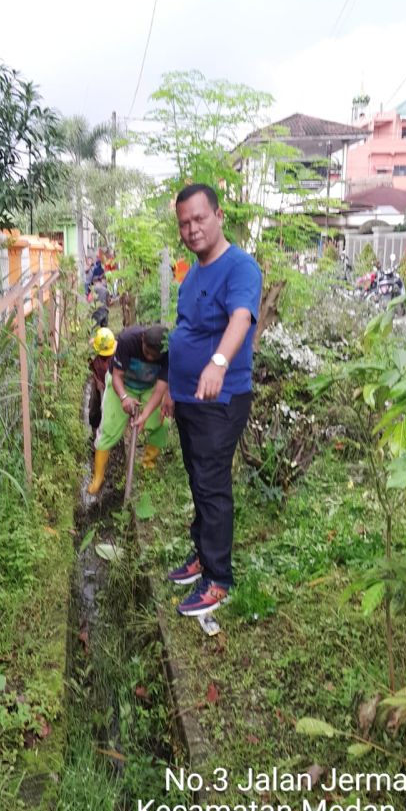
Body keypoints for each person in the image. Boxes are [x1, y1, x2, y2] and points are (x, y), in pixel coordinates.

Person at [163, 183, 262, 617]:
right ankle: (202, 553)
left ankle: (219, 578)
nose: (192, 228)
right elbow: (185, 330)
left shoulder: (240, 268)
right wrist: (170, 384)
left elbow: (241, 316)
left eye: (199, 218)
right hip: (188, 397)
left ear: (219, 216)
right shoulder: (193, 272)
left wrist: (219, 361)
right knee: (197, 477)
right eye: (184, 222)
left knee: (212, 482)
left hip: (220, 399)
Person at [87, 324, 169, 495]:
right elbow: (117, 376)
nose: (150, 358)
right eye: (147, 353)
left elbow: (161, 389)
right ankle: (98, 478)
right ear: (142, 340)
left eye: (155, 357)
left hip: (150, 387)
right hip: (123, 385)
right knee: (108, 427)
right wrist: (124, 398)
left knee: (163, 423)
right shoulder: (127, 340)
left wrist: (145, 416)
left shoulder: (169, 349)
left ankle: (148, 465)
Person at [88, 327, 116, 432]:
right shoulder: (92, 353)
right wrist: (97, 381)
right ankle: (94, 431)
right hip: (98, 383)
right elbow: (90, 369)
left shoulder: (117, 352)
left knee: (112, 410)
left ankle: (112, 432)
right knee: (95, 408)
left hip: (113, 384)